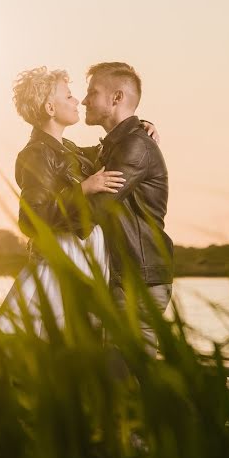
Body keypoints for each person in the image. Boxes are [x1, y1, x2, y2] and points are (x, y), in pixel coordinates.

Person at [0, 66, 125, 335]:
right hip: (62, 268)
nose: (77, 101)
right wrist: (84, 189)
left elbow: (108, 149)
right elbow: (31, 220)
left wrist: (139, 127)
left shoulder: (69, 150)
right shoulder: (37, 154)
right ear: (50, 108)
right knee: (50, 346)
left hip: (79, 265)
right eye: (68, 96)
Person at [82, 62, 173, 356]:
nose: (84, 100)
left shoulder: (135, 146)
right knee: (116, 380)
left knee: (129, 381)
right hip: (125, 279)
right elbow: (60, 152)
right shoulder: (116, 145)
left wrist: (42, 219)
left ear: (116, 98)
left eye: (92, 92)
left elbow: (94, 211)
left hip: (138, 283)